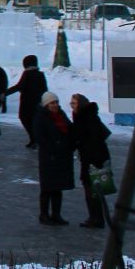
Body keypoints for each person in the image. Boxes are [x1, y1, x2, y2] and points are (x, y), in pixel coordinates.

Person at [33, 92, 75, 225]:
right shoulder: (41, 117)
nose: (55, 105)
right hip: (49, 157)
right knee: (47, 188)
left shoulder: (61, 115)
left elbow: (70, 130)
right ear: (46, 104)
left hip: (62, 157)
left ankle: (56, 214)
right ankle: (44, 214)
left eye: (56, 102)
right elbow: (40, 137)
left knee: (58, 187)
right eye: (52, 103)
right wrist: (52, 150)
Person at [71, 93, 112, 229]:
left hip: (93, 159)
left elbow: (95, 139)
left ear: (81, 104)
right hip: (89, 158)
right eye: (71, 103)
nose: (72, 106)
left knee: (93, 190)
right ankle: (94, 217)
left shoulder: (88, 117)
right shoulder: (82, 116)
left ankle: (97, 218)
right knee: (91, 189)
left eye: (74, 103)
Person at [3, 55, 49, 148]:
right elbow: (44, 89)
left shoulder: (27, 74)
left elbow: (19, 86)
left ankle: (34, 139)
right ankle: (35, 139)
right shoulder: (40, 74)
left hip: (27, 102)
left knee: (25, 118)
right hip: (37, 102)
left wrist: (5, 93)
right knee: (34, 121)